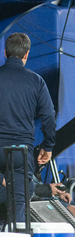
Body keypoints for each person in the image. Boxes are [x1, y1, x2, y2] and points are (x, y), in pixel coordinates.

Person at [0, 33, 55, 224]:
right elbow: (48, 116)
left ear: (5, 52)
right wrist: (47, 147)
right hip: (19, 153)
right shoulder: (37, 81)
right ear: (26, 54)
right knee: (18, 209)